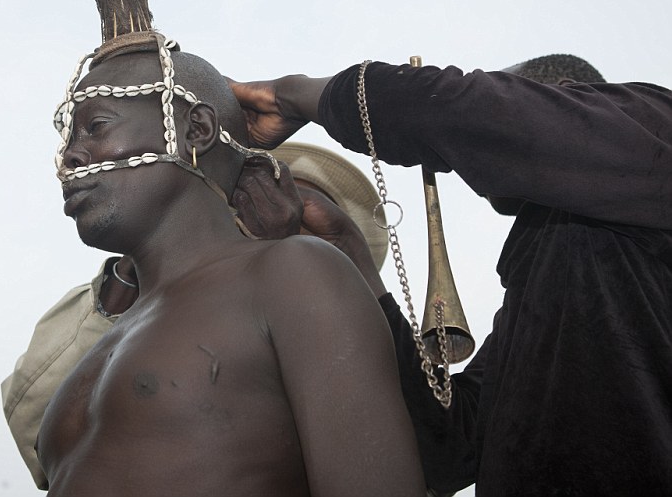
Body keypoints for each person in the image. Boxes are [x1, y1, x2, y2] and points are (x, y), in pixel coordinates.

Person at [14, 0, 426, 496]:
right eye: (69, 135)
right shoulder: (93, 351)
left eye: (95, 126)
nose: (70, 157)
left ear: (197, 130)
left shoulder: (294, 276)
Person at [229, 53, 672, 496]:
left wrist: (294, 96)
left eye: (511, 94)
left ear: (566, 93)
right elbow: (450, 448)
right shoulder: (545, 291)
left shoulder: (653, 126)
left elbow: (471, 112)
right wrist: (349, 251)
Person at [1, 143, 389, 490]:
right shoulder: (126, 307)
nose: (274, 213)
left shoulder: (322, 297)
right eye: (256, 197)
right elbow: (32, 424)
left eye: (301, 212)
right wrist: (141, 263)